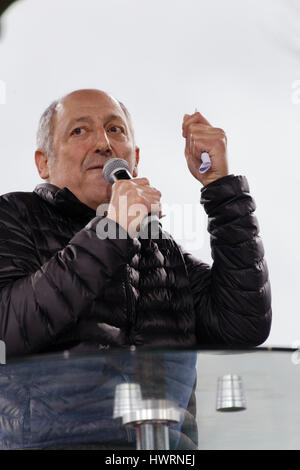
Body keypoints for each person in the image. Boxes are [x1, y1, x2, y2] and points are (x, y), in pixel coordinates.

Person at [0, 89, 272, 358]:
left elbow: (243, 326)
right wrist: (112, 231)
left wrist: (221, 188)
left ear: (136, 159)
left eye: (115, 129)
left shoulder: (161, 250)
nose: (103, 143)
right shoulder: (14, 215)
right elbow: (6, 330)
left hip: (156, 404)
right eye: (79, 131)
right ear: (44, 162)